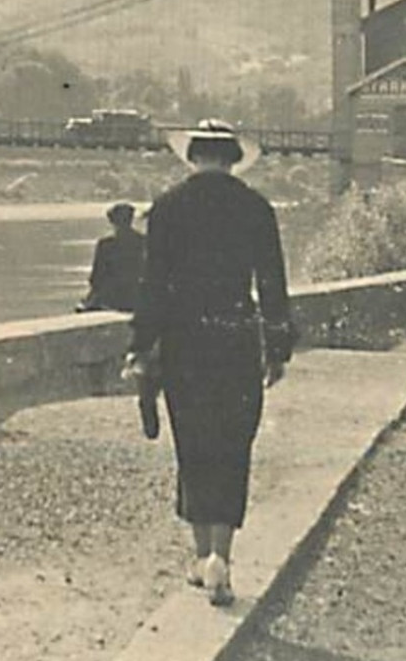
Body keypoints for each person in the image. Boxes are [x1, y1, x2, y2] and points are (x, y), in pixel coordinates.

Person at [124, 119, 294, 608]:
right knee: (232, 443)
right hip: (236, 338)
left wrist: (141, 345)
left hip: (185, 342)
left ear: (192, 156)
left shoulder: (168, 209)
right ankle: (223, 555)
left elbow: (152, 286)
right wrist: (277, 346)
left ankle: (201, 559)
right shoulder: (256, 208)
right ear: (235, 159)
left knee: (194, 444)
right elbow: (273, 283)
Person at [78, 202, 146, 312]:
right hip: (136, 294)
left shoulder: (106, 244)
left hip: (112, 297)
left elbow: (96, 277)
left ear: (112, 221)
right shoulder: (143, 241)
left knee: (86, 304)